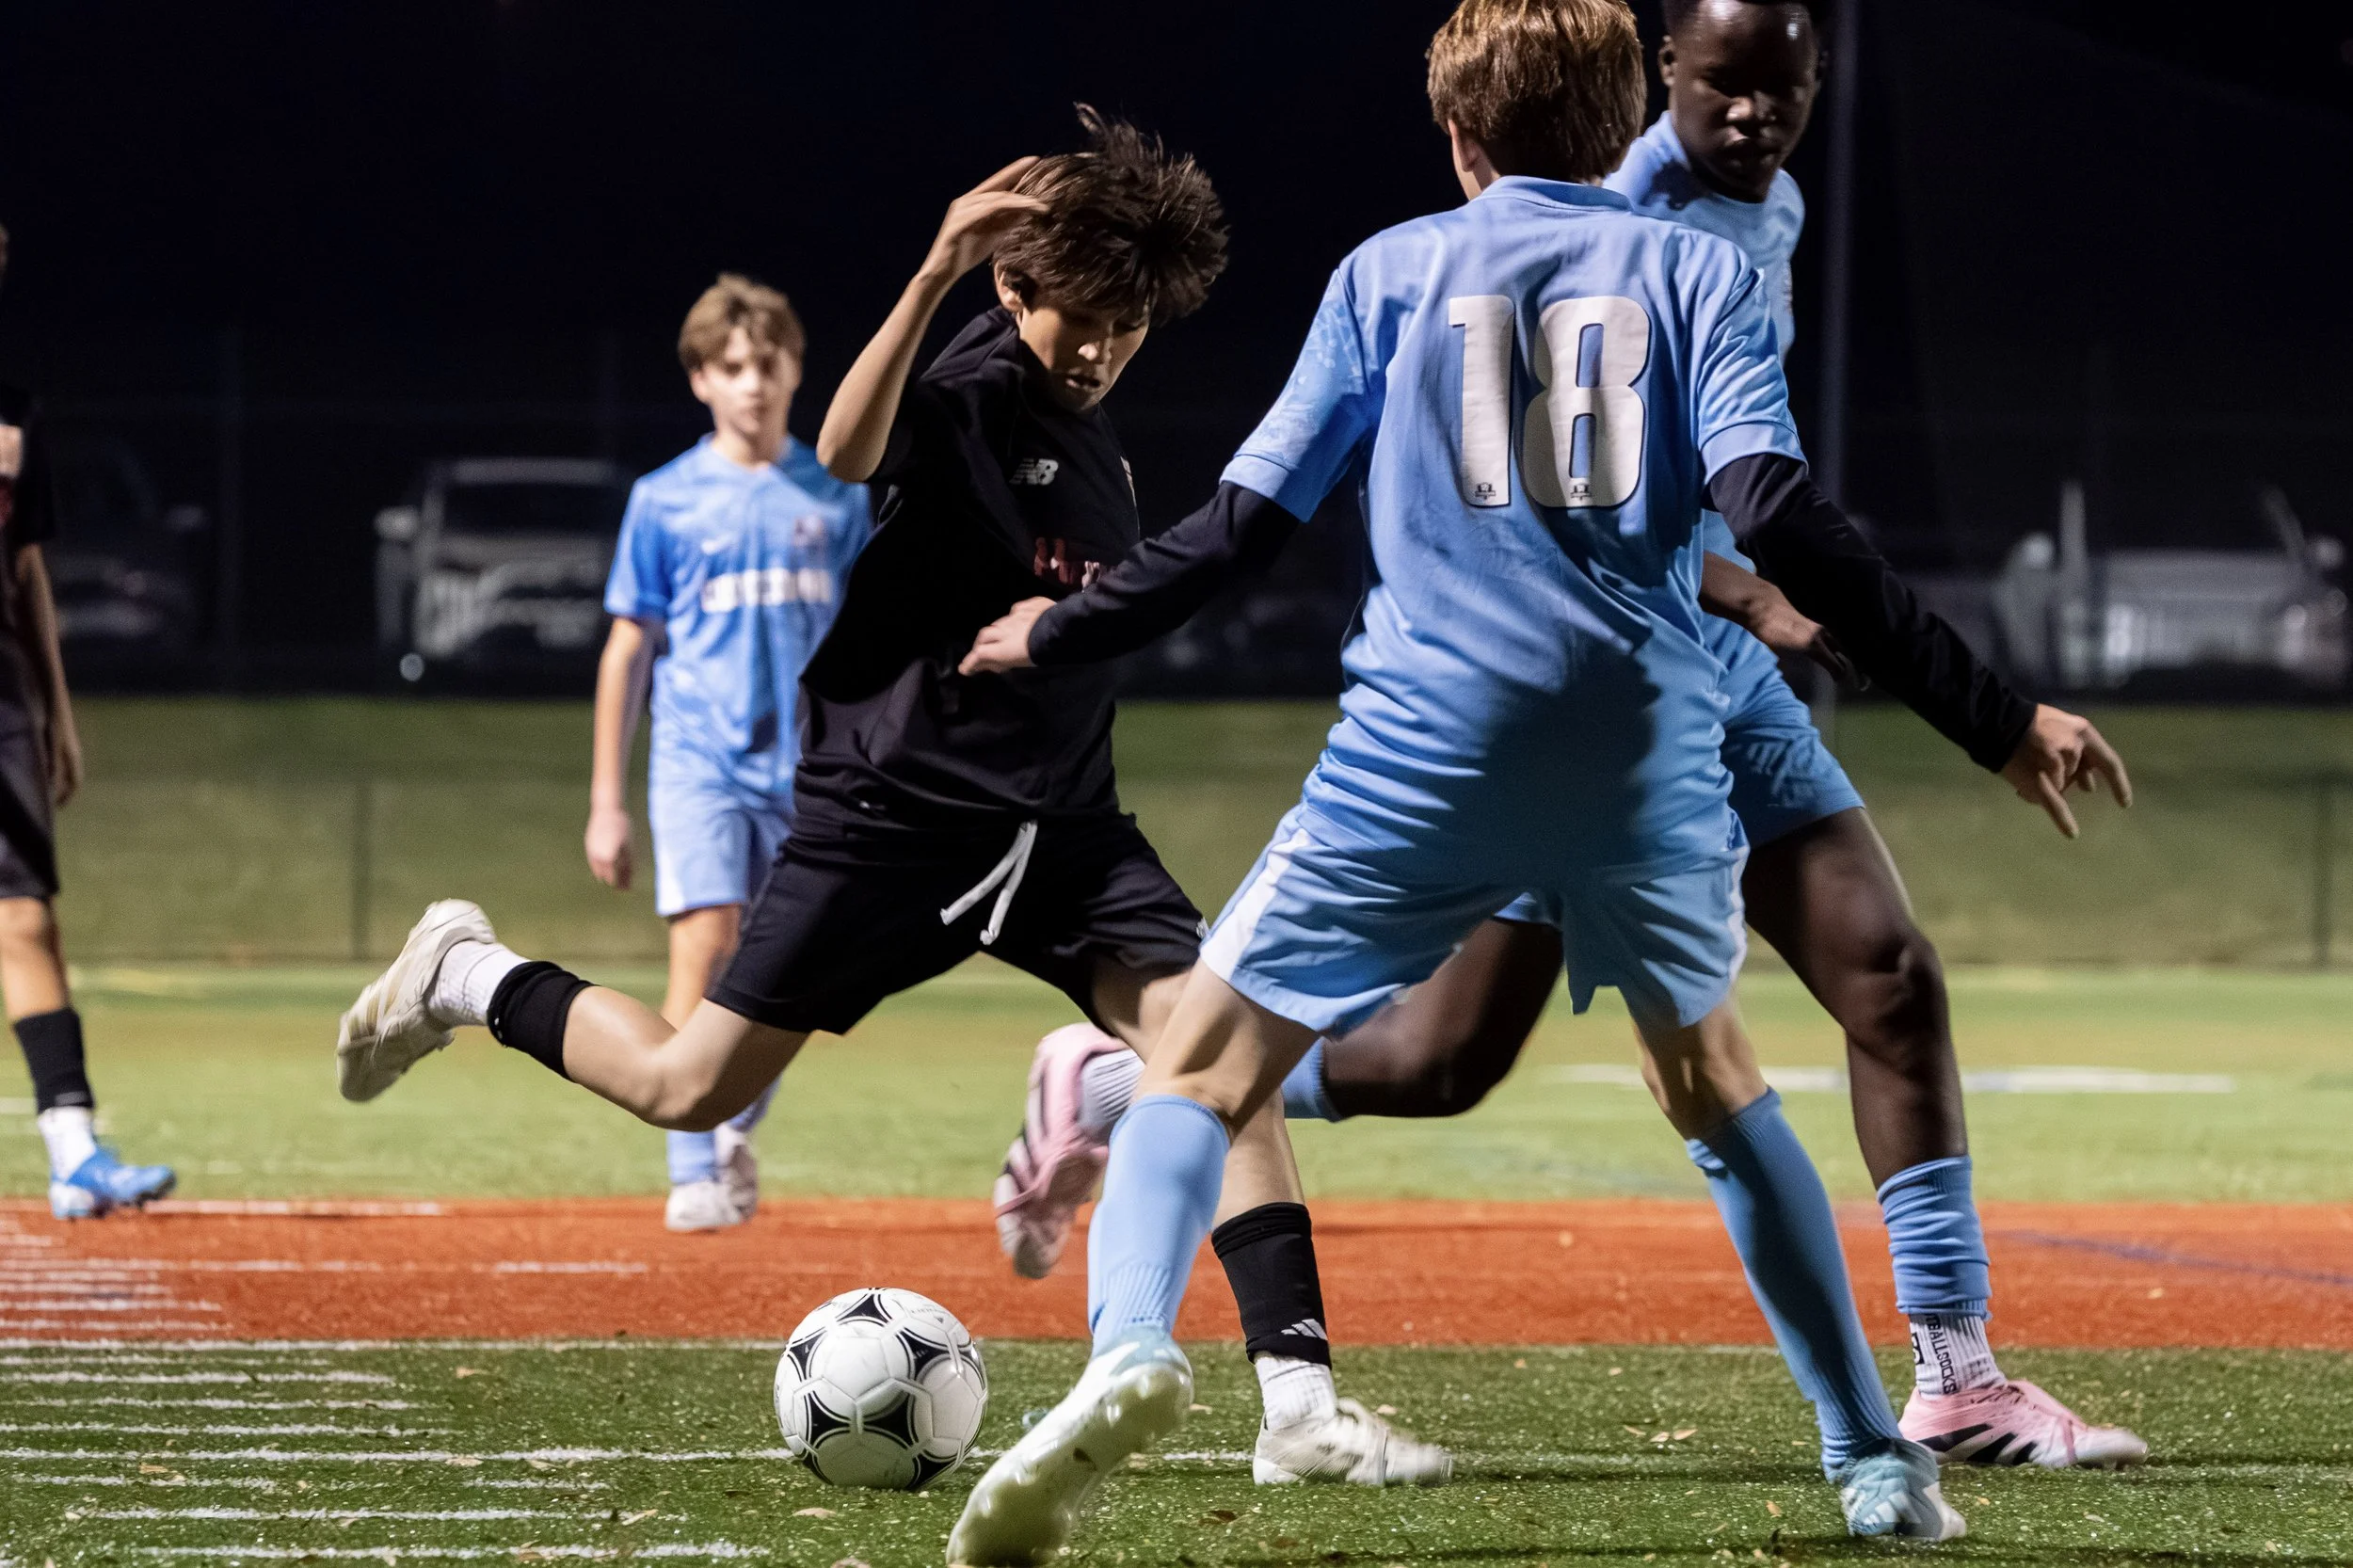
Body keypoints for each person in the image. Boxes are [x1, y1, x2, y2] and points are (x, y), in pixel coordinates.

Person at [941, 0, 2122, 1550]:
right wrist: (1986, 712)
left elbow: (1237, 529)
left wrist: (1058, 630)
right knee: (1718, 1090)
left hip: (1424, 744)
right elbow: (1783, 511)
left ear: (1458, 139)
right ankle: (1875, 1459)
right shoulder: (1701, 272)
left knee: (1201, 1069)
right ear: (1628, 114)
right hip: (1640, 747)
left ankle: (1130, 1355)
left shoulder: (1386, 274)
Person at [334, 111, 1445, 1486]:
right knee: (689, 1086)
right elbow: (849, 451)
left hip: (1067, 832)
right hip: (897, 816)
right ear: (1012, 290)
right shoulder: (972, 382)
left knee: (1232, 1061)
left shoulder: (1101, 436)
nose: (1100, 347)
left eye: (1129, 322)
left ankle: (1297, 1407)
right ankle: (468, 970)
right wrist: (927, 274)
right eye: (1077, 317)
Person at [586, 275, 871, 1233]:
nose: (752, 383)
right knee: (702, 949)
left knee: (793, 975)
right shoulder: (664, 500)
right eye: (731, 366)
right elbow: (629, 648)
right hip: (699, 763)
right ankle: (689, 1166)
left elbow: (875, 638)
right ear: (702, 378)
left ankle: (733, 1121)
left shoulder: (837, 496)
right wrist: (606, 802)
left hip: (815, 771)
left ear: (795, 370)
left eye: (768, 364)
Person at [0, 223, 175, 1220]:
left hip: (2, 704)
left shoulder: (18, 419)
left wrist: (56, 713)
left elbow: (26, 578)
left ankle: (74, 1152)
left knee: (26, 918)